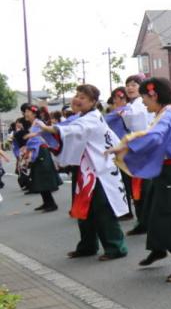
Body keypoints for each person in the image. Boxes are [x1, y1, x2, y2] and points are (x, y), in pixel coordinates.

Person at [108, 77, 171, 282]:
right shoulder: (164, 114)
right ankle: (158, 249)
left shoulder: (167, 117)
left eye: (144, 97)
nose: (143, 102)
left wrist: (127, 145)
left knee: (166, 217)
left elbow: (154, 137)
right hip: (166, 170)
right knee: (153, 211)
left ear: (154, 96)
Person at [34, 85, 129, 260]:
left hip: (99, 171)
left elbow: (70, 130)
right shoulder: (80, 117)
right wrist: (48, 130)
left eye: (83, 97)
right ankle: (87, 246)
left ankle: (116, 247)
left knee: (102, 210)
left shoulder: (91, 118)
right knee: (83, 208)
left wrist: (51, 130)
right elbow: (66, 127)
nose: (77, 99)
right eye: (77, 95)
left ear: (93, 102)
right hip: (85, 169)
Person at [121, 75, 150, 233]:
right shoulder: (131, 105)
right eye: (128, 85)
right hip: (136, 150)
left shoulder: (141, 105)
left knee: (142, 188)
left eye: (134, 84)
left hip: (143, 150)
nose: (130, 88)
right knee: (138, 188)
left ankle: (145, 221)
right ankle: (143, 220)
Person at [20, 103, 59, 211]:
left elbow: (45, 132)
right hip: (37, 152)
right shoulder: (33, 124)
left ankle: (51, 204)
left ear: (34, 113)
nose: (25, 113)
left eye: (27, 111)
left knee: (43, 177)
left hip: (41, 152)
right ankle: (46, 202)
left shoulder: (38, 122)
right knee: (39, 177)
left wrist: (33, 136)